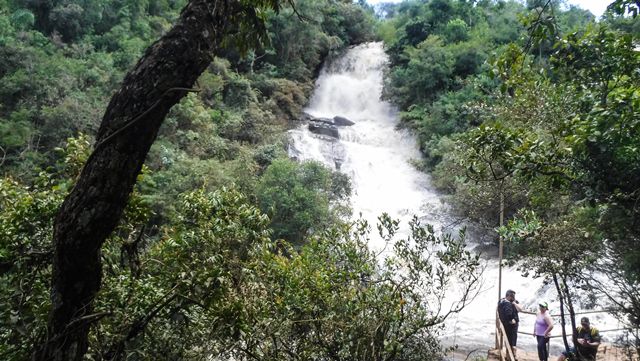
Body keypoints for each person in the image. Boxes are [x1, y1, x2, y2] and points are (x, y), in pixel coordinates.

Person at [498, 289, 523, 357]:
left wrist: (514, 303)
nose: (513, 297)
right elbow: (506, 313)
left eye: (514, 296)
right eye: (512, 296)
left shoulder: (512, 302)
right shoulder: (504, 303)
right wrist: (511, 319)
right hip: (509, 324)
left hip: (512, 324)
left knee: (512, 340)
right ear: (508, 296)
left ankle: (511, 355)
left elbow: (520, 309)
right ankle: (510, 356)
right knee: (509, 340)